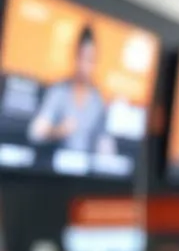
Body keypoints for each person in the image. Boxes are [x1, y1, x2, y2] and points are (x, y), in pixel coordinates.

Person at [28, 25, 115, 156]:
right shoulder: (58, 91)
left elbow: (105, 141)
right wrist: (57, 131)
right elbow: (35, 133)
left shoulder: (98, 99)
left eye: (91, 60)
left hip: (87, 171)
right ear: (75, 57)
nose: (86, 66)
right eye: (83, 58)